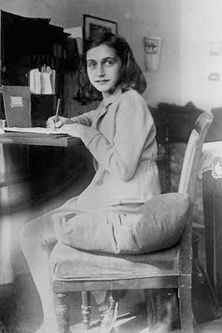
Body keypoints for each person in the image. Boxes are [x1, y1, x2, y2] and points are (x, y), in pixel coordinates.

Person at [20, 31, 161, 333]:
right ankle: (107, 305)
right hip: (116, 202)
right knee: (50, 222)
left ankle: (54, 322)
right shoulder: (115, 102)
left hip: (129, 211)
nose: (99, 71)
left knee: (32, 235)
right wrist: (71, 122)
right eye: (92, 64)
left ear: (124, 64)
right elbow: (95, 117)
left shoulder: (131, 104)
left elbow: (123, 168)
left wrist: (84, 134)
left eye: (107, 62)